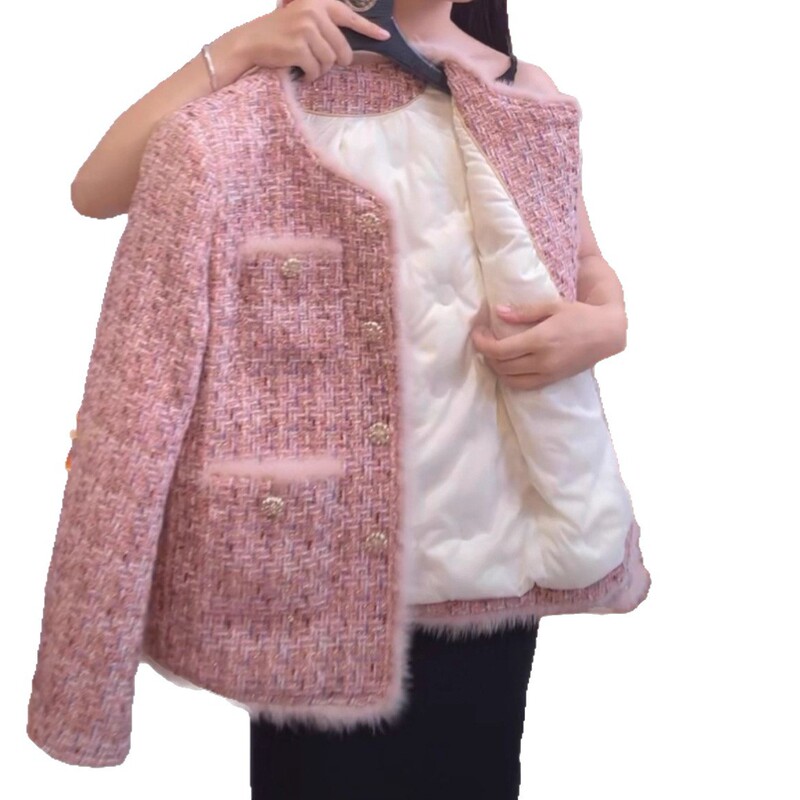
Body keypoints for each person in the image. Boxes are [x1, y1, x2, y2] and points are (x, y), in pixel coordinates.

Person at [54, 2, 640, 798]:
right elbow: (96, 190)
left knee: (473, 773)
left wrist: (605, 323)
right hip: (310, 563)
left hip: (491, 543)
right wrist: (234, 49)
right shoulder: (257, 105)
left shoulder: (517, 91)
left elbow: (584, 255)